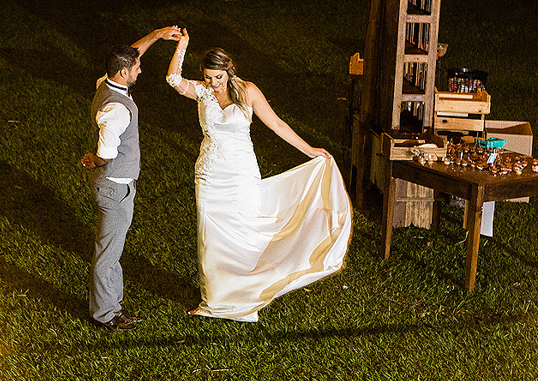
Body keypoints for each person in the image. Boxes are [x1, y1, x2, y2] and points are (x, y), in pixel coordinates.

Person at [166, 30, 352, 322]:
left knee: (246, 231)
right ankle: (214, 300)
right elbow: (173, 80)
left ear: (229, 72)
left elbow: (277, 124)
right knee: (211, 239)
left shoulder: (248, 91)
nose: (214, 84)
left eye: (218, 77)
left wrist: (309, 149)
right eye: (208, 77)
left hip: (241, 174)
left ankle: (247, 289)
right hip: (210, 174)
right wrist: (183, 45)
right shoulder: (201, 91)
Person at [81, 26, 182, 331]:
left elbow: (132, 54)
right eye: (136, 67)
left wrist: (156, 35)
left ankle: (113, 306)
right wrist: (94, 160)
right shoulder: (116, 109)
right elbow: (107, 151)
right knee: (107, 254)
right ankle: (104, 314)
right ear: (124, 73)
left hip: (116, 186)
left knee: (113, 250)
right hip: (114, 188)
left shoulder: (107, 83)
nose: (141, 68)